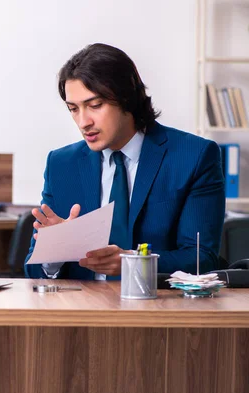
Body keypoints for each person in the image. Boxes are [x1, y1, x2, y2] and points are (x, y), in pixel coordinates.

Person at [25, 43, 225, 280]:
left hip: (157, 309)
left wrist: (134, 262)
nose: (83, 122)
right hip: (80, 310)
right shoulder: (61, 164)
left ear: (127, 98)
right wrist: (54, 250)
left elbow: (202, 258)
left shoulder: (194, 156)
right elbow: (32, 269)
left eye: (95, 105)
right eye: (73, 109)